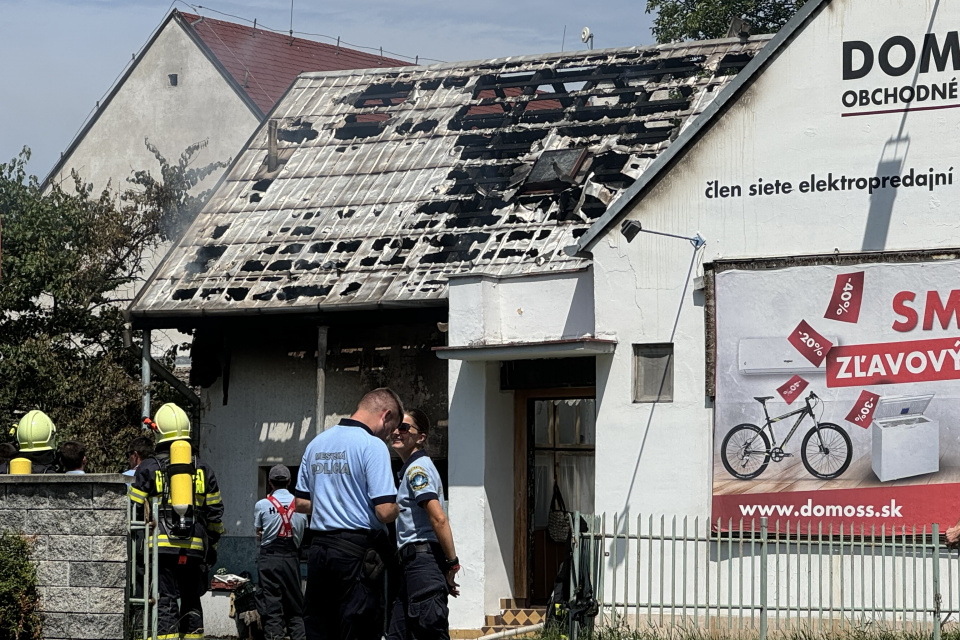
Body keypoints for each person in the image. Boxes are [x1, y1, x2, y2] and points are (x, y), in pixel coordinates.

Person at [294, 388, 404, 640]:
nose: (388, 436)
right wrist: (401, 505)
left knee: (320, 628)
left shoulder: (316, 443)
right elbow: (385, 511)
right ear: (385, 415)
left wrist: (333, 499)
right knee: (358, 628)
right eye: (390, 429)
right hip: (356, 555)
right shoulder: (372, 446)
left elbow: (301, 503)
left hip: (319, 552)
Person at [127, 403, 224, 640]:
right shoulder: (204, 469)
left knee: (165, 601)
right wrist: (211, 547)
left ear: (160, 434)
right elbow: (215, 515)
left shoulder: (149, 467)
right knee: (191, 601)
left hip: (160, 548)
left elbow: (133, 509)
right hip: (194, 549)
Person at [387, 409, 459, 640]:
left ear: (421, 437)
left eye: (405, 427)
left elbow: (438, 518)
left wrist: (452, 564)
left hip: (422, 563)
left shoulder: (418, 469)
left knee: (428, 631)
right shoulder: (408, 469)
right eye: (395, 426)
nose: (397, 432)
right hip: (409, 566)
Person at [255, 464, 308, 640]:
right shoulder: (301, 505)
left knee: (271, 606)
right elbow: (303, 532)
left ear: (270, 482)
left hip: (269, 558)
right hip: (292, 557)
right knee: (295, 606)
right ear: (290, 481)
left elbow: (259, 532)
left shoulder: (262, 505)